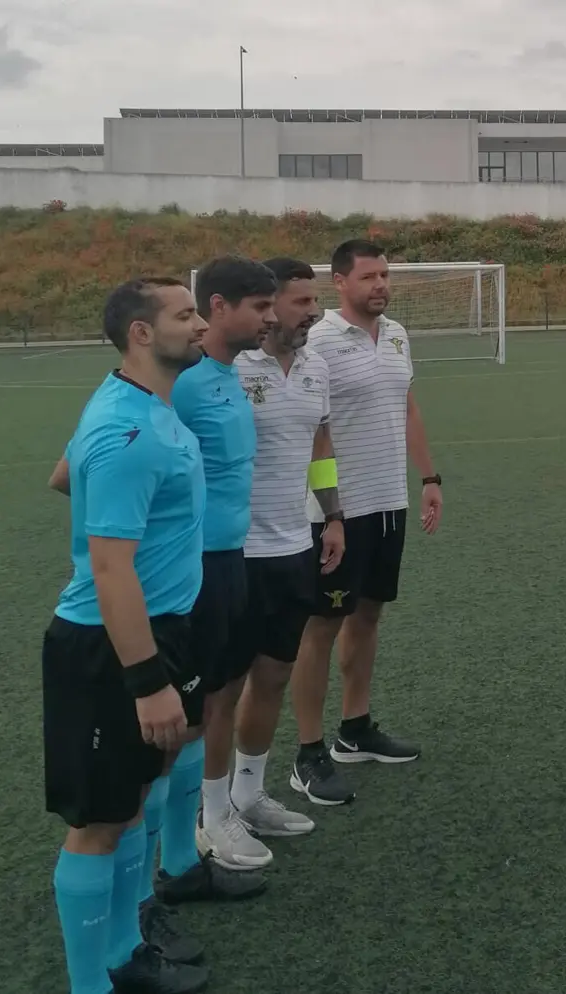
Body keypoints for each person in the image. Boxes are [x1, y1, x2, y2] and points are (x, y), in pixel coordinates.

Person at [42, 278, 210, 994]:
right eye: (185, 315)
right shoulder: (126, 432)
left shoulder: (142, 402)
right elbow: (110, 569)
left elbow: (62, 476)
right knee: (98, 823)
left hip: (161, 628)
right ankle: (92, 985)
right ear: (141, 333)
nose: (200, 325)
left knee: (133, 799)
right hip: (107, 649)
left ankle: (123, 953)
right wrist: (146, 683)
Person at [289, 239, 442, 806]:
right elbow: (313, 427)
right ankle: (308, 752)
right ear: (339, 282)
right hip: (336, 512)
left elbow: (407, 407)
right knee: (321, 625)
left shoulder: (397, 334)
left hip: (388, 503)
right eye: (368, 276)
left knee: (368, 615)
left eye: (385, 275)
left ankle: (354, 729)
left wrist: (429, 478)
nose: (380, 285)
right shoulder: (319, 340)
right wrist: (331, 510)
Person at [227, 257, 345, 848]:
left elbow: (320, 443)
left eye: (314, 300)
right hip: (232, 553)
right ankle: (210, 812)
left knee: (273, 675)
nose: (314, 312)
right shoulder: (226, 366)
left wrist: (333, 515)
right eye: (302, 302)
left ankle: (248, 795)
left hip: (294, 545)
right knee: (222, 688)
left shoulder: (316, 367)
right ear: (267, 305)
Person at [170, 255, 279, 873]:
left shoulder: (229, 373)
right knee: (199, 705)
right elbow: (79, 472)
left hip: (233, 558)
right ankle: (202, 825)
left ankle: (218, 809)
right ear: (218, 306)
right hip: (196, 568)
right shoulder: (183, 382)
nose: (270, 318)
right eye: (260, 307)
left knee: (226, 689)